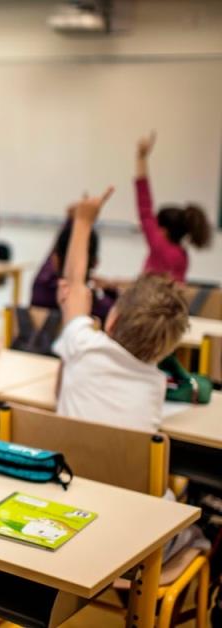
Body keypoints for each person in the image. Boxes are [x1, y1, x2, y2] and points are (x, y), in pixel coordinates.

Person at [54, 186, 189, 432]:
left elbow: (74, 284)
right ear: (165, 351)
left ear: (112, 321)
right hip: (123, 471)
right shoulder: (155, 386)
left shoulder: (84, 346)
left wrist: (83, 221)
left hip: (65, 469)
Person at [134, 133, 211, 283]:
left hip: (148, 305)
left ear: (164, 231)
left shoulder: (159, 245)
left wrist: (141, 158)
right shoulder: (182, 256)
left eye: (156, 223)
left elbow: (144, 205)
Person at [30, 215, 116, 322]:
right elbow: (115, 311)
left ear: (55, 260)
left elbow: (51, 259)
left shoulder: (42, 287)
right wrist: (111, 290)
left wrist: (74, 218)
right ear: (95, 263)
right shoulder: (98, 307)